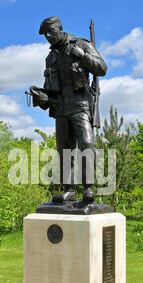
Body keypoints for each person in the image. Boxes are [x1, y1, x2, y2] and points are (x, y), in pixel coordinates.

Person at [30, 16, 107, 203]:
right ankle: (69, 190)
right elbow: (50, 89)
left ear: (60, 28)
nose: (48, 36)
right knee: (64, 150)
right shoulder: (51, 58)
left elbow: (102, 68)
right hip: (60, 108)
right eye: (45, 35)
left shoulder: (81, 44)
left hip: (80, 105)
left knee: (87, 144)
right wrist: (42, 97)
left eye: (50, 32)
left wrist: (83, 56)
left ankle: (88, 188)